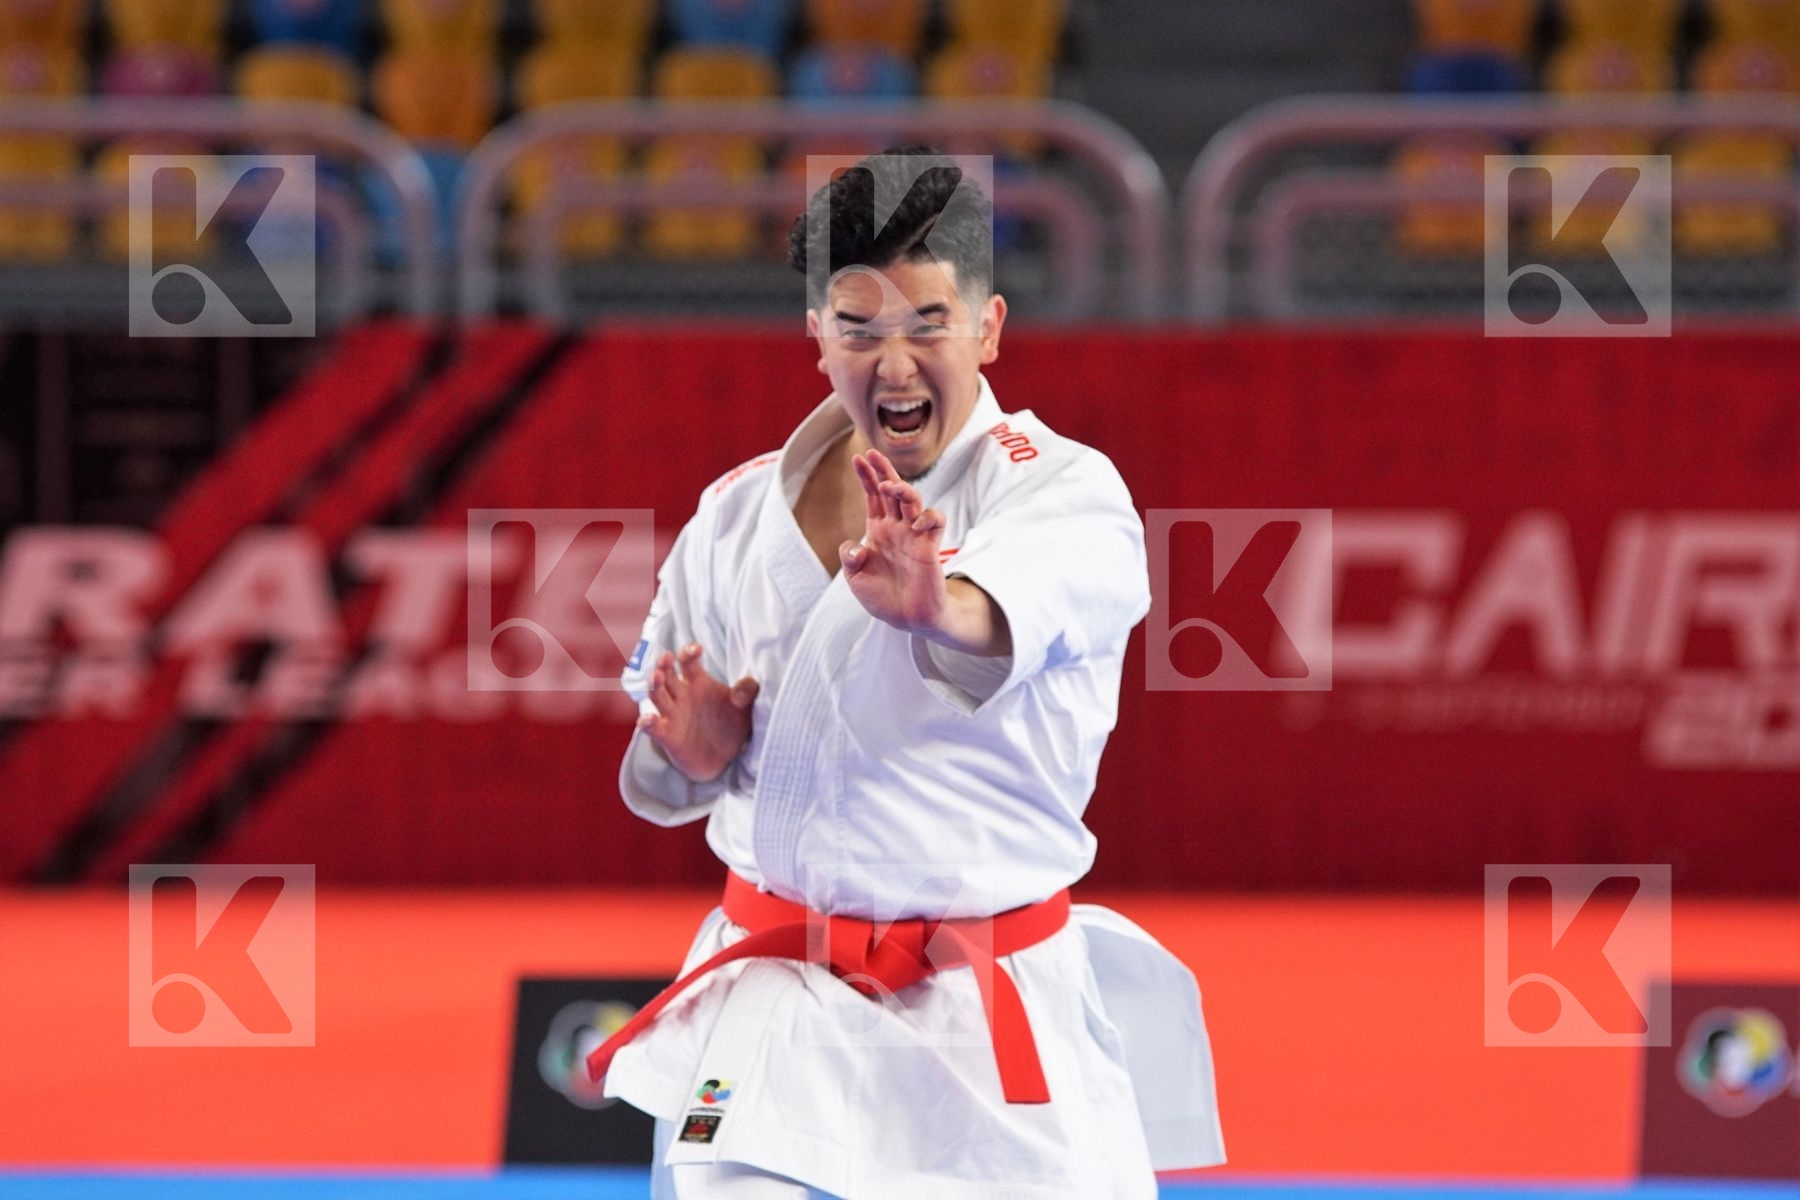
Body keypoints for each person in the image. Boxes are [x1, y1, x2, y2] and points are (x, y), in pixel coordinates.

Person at [591, 146, 1224, 1199]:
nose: (894, 364)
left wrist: (937, 607)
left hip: (987, 1010)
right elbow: (668, 756)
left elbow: (1009, 615)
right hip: (776, 1011)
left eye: (929, 324)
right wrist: (695, 753)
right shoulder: (735, 514)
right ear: (817, 335)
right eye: (860, 328)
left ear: (989, 327)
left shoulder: (1064, 491)